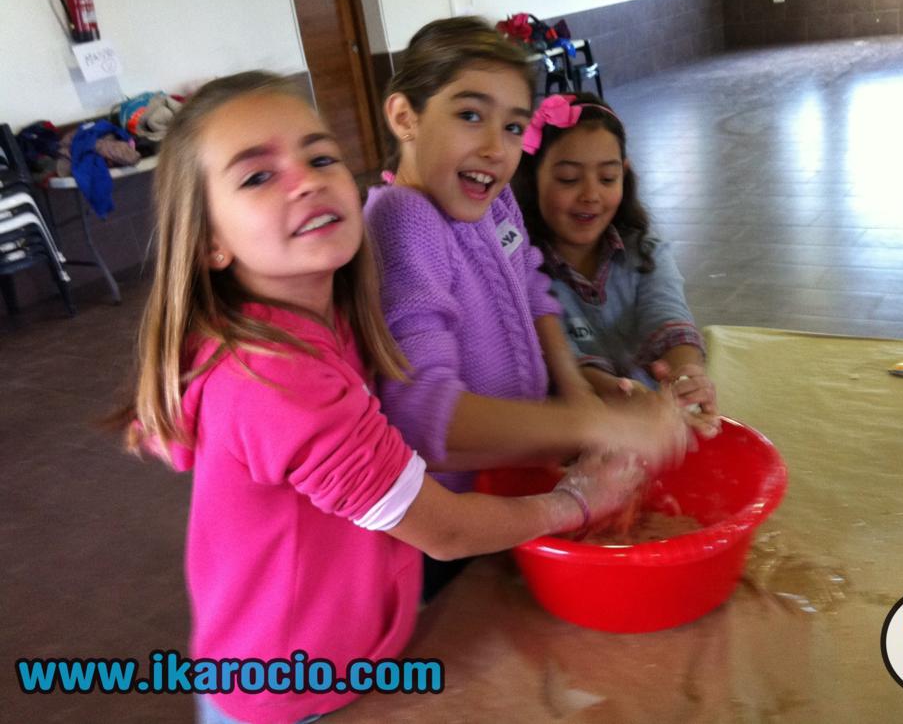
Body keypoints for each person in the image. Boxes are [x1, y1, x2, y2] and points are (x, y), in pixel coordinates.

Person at [121, 71, 673, 724]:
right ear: (210, 241)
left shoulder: (330, 316)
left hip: (356, 653)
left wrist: (576, 395)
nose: (305, 181)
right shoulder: (276, 378)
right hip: (289, 693)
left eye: (320, 158)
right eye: (258, 176)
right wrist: (579, 499)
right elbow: (444, 529)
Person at [363, 18, 687, 598]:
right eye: (470, 114)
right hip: (455, 516)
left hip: (513, 480)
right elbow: (425, 418)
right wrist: (595, 424)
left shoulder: (491, 201)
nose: (496, 147)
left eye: (513, 126)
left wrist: (578, 390)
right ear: (405, 117)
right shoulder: (403, 220)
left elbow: (533, 292)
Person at [512, 92, 720, 436]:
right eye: (568, 179)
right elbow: (560, 358)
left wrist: (686, 375)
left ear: (624, 174)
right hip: (567, 430)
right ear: (533, 179)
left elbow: (669, 319)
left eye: (607, 178)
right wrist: (618, 393)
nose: (591, 195)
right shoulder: (522, 267)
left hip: (654, 416)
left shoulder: (645, 252)